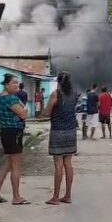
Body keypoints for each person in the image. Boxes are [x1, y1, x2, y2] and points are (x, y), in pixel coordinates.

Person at [0, 74, 30, 205]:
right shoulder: (11, 99)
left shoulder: (3, 97)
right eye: (13, 82)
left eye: (17, 82)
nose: (16, 84)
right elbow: (24, 114)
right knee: (16, 166)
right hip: (13, 133)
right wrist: (24, 109)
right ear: (6, 85)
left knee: (7, 164)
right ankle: (16, 197)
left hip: (6, 133)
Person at [42, 72, 77, 205]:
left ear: (58, 81)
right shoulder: (74, 94)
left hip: (58, 131)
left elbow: (47, 112)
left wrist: (44, 111)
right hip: (71, 131)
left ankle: (55, 197)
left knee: (58, 165)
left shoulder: (56, 94)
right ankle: (67, 195)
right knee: (68, 163)